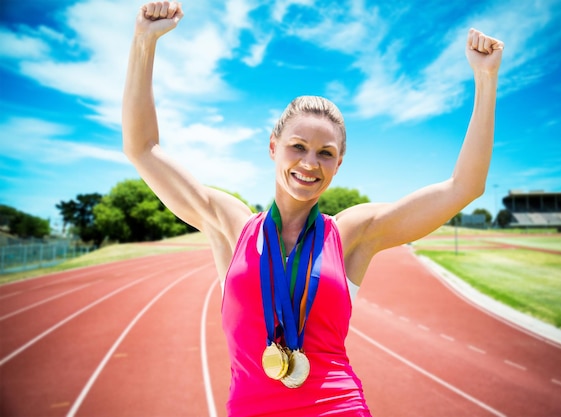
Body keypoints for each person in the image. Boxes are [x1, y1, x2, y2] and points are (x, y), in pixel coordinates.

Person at [123, 2, 504, 416]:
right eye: (298, 147)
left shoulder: (351, 232)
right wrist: (143, 42)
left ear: (338, 164)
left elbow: (464, 187)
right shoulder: (231, 224)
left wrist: (485, 81)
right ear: (273, 148)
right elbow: (142, 149)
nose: (309, 163)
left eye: (326, 153)